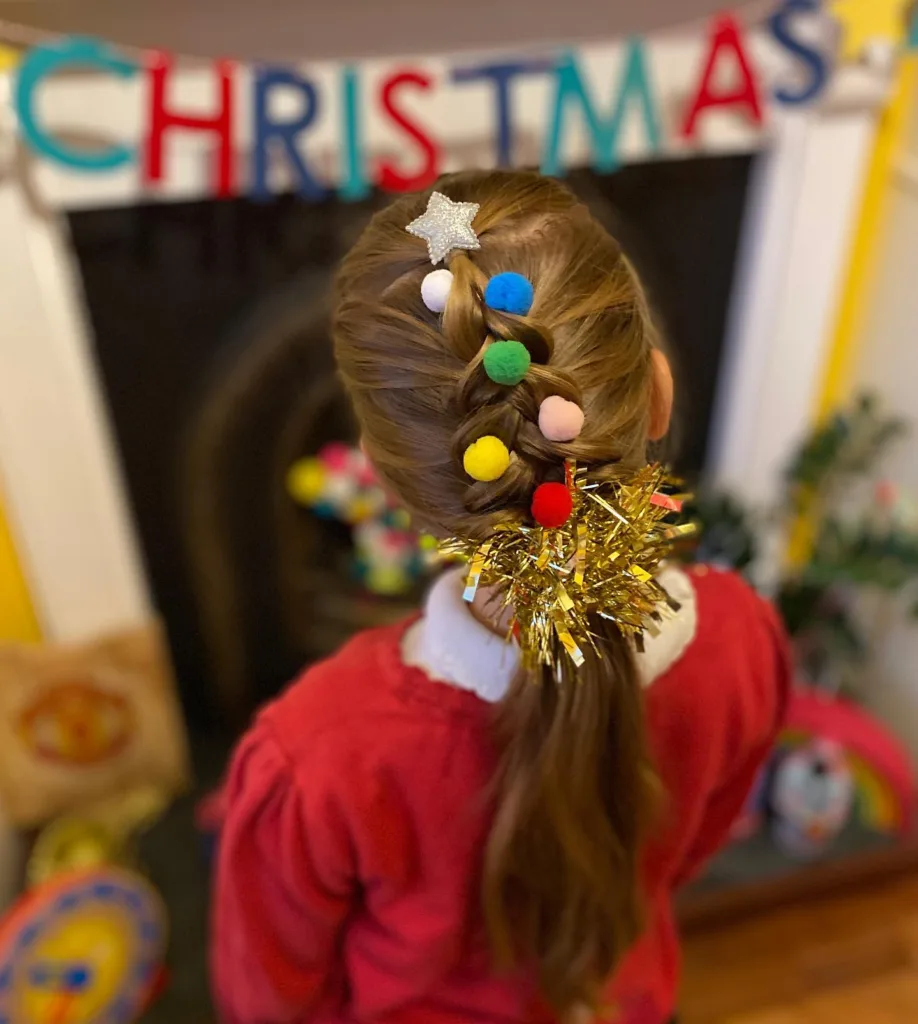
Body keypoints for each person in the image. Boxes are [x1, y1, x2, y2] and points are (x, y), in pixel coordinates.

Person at [211, 171, 790, 1024]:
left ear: (387, 480)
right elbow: (691, 846)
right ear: (658, 395)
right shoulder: (743, 640)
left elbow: (269, 999)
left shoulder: (317, 752)